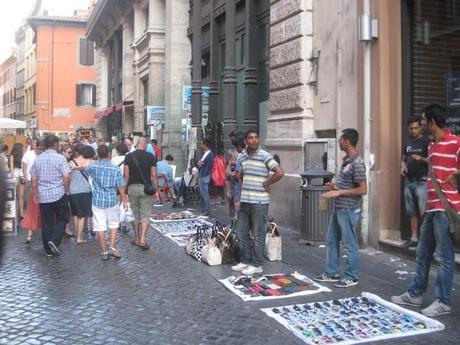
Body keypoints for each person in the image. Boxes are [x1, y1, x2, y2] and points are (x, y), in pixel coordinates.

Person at [392, 104, 460, 317]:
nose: (420, 124)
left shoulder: (456, 142)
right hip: (431, 208)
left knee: (445, 256)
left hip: (445, 208)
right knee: (422, 253)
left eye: (422, 120)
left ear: (431, 122)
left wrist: (457, 174)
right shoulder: (431, 145)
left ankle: (443, 300)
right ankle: (416, 293)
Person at [314, 128, 367, 288]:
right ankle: (331, 273)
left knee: (350, 244)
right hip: (339, 208)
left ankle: (352, 276)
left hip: (348, 209)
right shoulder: (347, 161)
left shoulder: (357, 163)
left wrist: (339, 193)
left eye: (340, 140)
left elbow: (362, 189)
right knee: (331, 240)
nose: (339, 142)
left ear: (347, 141)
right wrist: (334, 187)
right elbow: (348, 184)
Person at [231, 129, 284, 276]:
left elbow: (280, 172)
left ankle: (257, 264)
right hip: (245, 200)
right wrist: (239, 200)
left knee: (258, 234)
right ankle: (245, 260)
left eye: (256, 137)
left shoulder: (265, 156)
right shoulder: (242, 157)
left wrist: (267, 183)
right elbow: (241, 178)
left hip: (259, 202)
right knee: (241, 232)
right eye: (250, 138)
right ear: (246, 141)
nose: (253, 140)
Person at [83, 145, 128, 260]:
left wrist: (75, 166)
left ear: (98, 154)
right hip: (112, 200)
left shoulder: (93, 167)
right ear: (109, 154)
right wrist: (124, 200)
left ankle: (104, 252)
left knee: (100, 226)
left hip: (97, 200)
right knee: (113, 224)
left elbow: (84, 168)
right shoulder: (115, 169)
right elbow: (121, 186)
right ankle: (112, 247)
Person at [31, 135, 71, 257]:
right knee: (63, 218)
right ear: (55, 145)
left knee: (47, 222)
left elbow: (33, 179)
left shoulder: (38, 159)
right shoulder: (60, 159)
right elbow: (66, 176)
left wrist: (35, 193)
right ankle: (54, 241)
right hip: (59, 193)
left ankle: (48, 250)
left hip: (44, 195)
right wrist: (66, 189)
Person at [124, 137, 158, 249]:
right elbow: (153, 175)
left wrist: (124, 191)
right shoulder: (150, 156)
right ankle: (143, 239)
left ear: (137, 144)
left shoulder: (129, 156)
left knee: (135, 214)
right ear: (145, 145)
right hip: (146, 189)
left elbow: (126, 176)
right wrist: (156, 189)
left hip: (132, 188)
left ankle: (137, 238)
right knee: (145, 213)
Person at [401, 116, 430, 248]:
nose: (413, 131)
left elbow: (432, 160)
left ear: (421, 128)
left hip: (422, 181)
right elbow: (404, 158)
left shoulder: (427, 142)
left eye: (415, 128)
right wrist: (403, 165)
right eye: (411, 128)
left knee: (423, 211)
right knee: (411, 211)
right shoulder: (408, 142)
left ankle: (425, 240)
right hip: (409, 180)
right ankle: (414, 238)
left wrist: (421, 159)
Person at [69, 144, 95, 244]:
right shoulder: (90, 161)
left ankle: (77, 234)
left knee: (75, 214)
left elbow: (69, 176)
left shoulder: (71, 162)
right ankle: (79, 237)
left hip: (73, 190)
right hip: (85, 190)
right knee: (82, 215)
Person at [20, 140, 44, 244]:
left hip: (38, 186)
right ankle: (30, 234)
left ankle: (31, 235)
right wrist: (26, 178)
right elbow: (24, 166)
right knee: (33, 210)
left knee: (35, 210)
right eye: (40, 149)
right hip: (35, 185)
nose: (41, 151)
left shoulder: (41, 159)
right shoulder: (29, 154)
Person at [226, 134, 245, 216]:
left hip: (239, 187)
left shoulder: (241, 156)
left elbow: (237, 175)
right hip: (237, 186)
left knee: (239, 211)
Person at [197, 139, 215, 216]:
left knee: (204, 193)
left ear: (205, 145)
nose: (201, 145)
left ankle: (206, 210)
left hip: (204, 175)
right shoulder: (209, 153)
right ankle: (205, 209)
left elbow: (200, 164)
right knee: (204, 193)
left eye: (202, 144)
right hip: (205, 175)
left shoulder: (208, 154)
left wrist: (199, 163)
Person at [9, 143, 25, 218]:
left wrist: (13, 177)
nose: (23, 149)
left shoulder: (13, 156)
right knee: (19, 195)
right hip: (18, 175)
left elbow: (12, 168)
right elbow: (13, 168)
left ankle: (19, 213)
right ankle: (20, 213)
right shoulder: (19, 156)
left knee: (17, 195)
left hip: (17, 176)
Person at [22, 138, 39, 207]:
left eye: (35, 142)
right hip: (29, 179)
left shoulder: (41, 154)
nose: (34, 144)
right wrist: (26, 177)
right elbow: (24, 166)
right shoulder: (28, 153)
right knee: (28, 200)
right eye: (33, 142)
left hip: (38, 180)